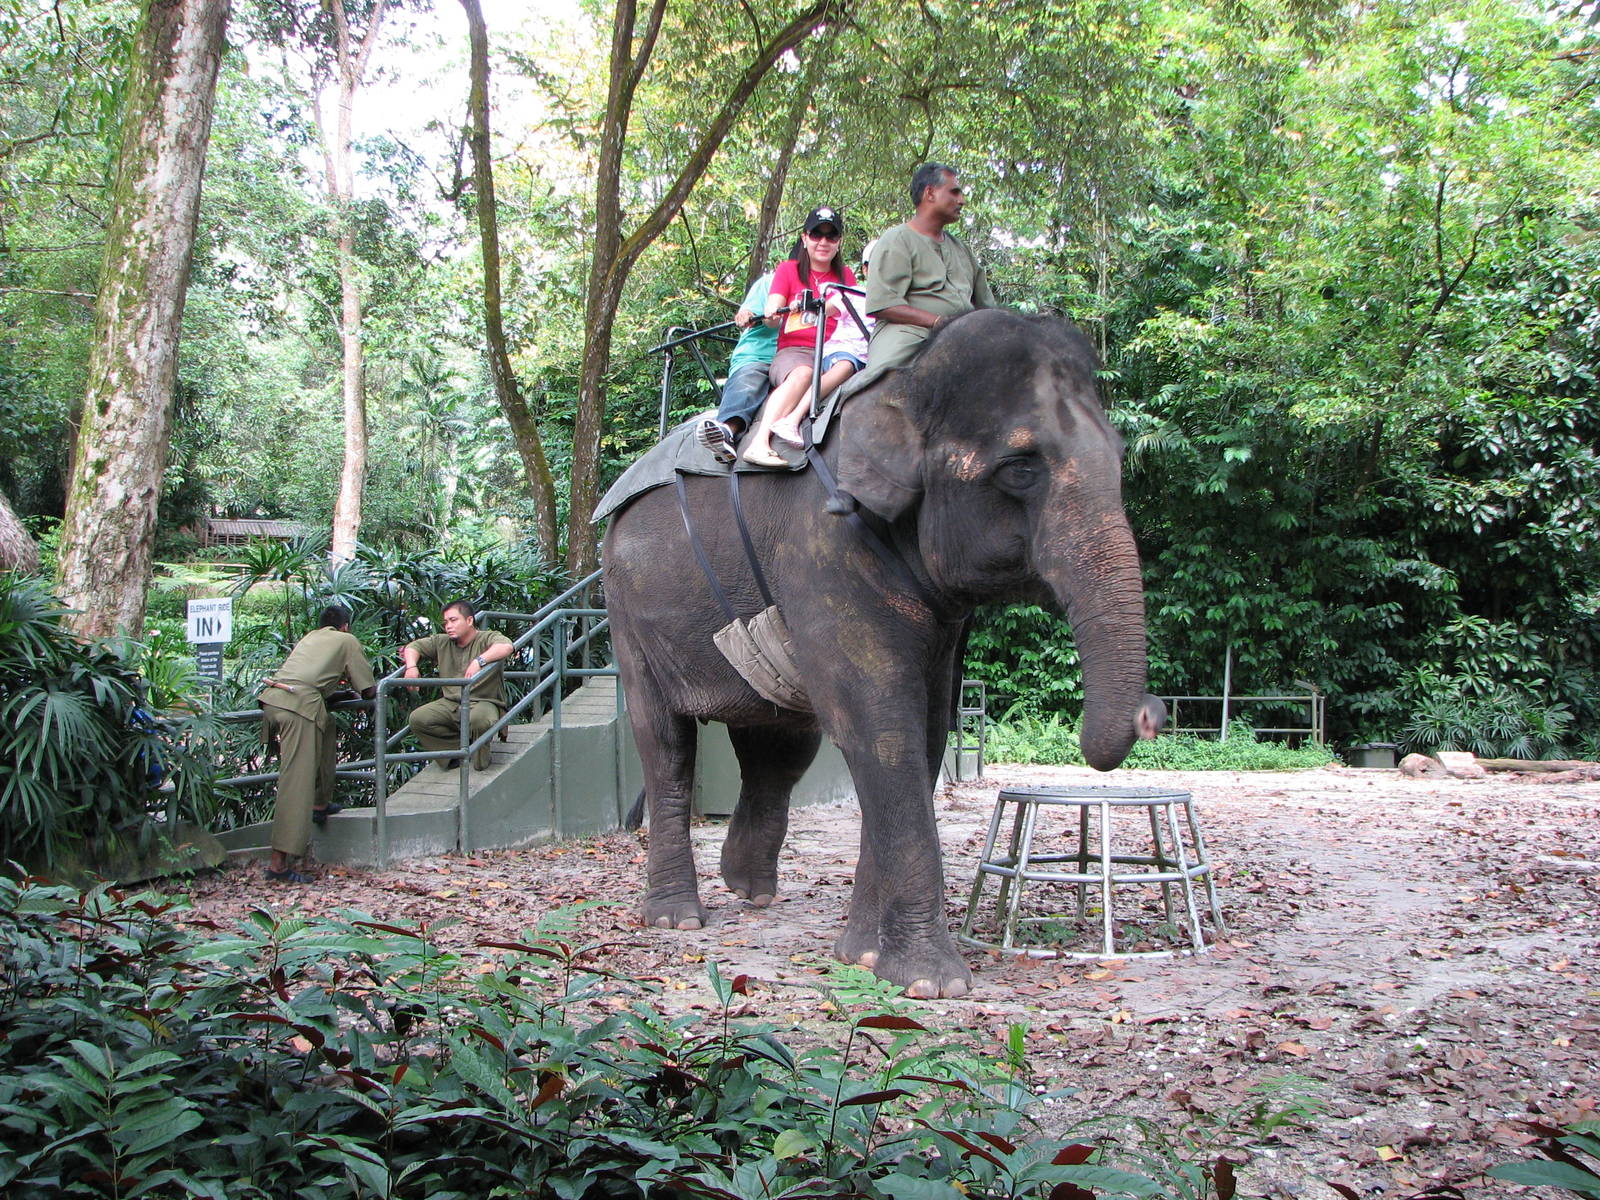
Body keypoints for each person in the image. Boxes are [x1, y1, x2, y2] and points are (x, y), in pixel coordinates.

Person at [259, 605, 376, 883]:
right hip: (298, 707)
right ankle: (278, 866)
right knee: (295, 782)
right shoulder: (346, 640)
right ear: (346, 626)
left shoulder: (310, 637)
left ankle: (320, 803)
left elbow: (308, 679)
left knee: (327, 726)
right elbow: (368, 688)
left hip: (276, 699)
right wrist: (375, 693)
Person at [741, 206, 857, 468]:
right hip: (796, 352)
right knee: (804, 373)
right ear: (805, 238)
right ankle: (760, 442)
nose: (823, 242)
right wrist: (774, 312)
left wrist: (820, 306)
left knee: (851, 368)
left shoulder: (845, 276)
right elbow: (773, 317)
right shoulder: (788, 270)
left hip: (832, 351)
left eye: (831, 236)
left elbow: (850, 312)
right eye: (817, 235)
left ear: (839, 242)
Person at [863, 163, 994, 374]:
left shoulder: (962, 249)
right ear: (930, 193)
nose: (962, 200)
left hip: (966, 339)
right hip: (908, 335)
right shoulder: (896, 240)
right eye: (954, 192)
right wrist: (938, 322)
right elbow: (883, 304)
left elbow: (986, 306)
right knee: (882, 385)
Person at [402, 599, 514, 771]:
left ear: (469, 621)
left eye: (453, 620)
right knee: (418, 719)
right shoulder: (442, 641)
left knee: (479, 720)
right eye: (446, 622)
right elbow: (413, 647)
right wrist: (411, 667)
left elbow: (506, 646)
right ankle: (454, 753)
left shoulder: (486, 637)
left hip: (483, 701)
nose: (448, 626)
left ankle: (481, 760)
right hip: (451, 703)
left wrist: (479, 661)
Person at [694, 267, 778, 465]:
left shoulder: (830, 286)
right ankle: (727, 430)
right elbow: (748, 312)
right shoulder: (770, 283)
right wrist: (746, 314)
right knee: (748, 383)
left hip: (802, 357)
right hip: (761, 355)